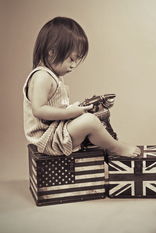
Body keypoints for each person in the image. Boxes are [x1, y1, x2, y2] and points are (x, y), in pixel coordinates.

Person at [23, 17, 141, 157]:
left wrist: (79, 109)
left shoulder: (53, 76)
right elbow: (39, 110)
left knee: (92, 115)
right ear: (52, 52)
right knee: (89, 121)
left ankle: (107, 142)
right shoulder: (42, 76)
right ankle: (115, 147)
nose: (73, 66)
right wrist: (70, 113)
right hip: (48, 140)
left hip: (56, 131)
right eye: (72, 59)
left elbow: (56, 110)